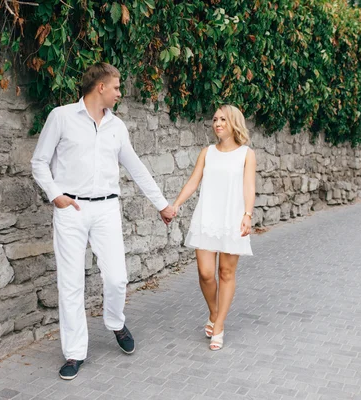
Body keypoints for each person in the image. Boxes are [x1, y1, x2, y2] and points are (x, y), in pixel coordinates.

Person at [31, 62, 176, 380]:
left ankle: (115, 322)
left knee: (116, 278)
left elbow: (136, 167)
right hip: (71, 209)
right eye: (116, 87)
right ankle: (74, 353)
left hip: (107, 209)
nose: (120, 93)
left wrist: (162, 205)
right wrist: (56, 195)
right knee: (71, 284)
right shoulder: (62, 117)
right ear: (100, 87)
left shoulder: (117, 127)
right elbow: (39, 161)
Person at [172, 104, 256, 351]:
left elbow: (249, 186)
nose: (217, 123)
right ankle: (214, 311)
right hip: (207, 217)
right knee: (206, 273)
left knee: (226, 273)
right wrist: (176, 204)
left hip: (232, 218)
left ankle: (218, 325)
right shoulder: (207, 152)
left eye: (223, 119)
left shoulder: (246, 154)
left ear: (234, 124)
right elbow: (193, 182)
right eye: (215, 119)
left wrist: (247, 215)